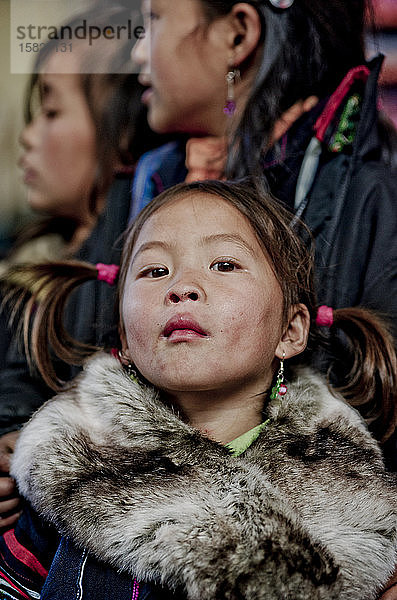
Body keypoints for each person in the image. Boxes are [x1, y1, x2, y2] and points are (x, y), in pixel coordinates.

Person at [0, 179, 396, 600]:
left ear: (291, 329)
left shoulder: (355, 497)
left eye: (224, 265)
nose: (181, 287)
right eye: (155, 271)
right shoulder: (67, 465)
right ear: (126, 339)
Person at [129, 0, 397, 342]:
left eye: (154, 19)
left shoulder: (368, 200)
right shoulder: (156, 177)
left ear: (238, 36)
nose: (138, 52)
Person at [0, 3, 162, 529]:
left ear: (121, 136)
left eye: (50, 112)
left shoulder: (120, 278)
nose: (27, 137)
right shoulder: (34, 261)